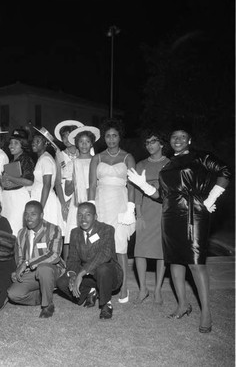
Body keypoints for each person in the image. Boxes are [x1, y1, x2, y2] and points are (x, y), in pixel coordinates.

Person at [128, 123, 230, 333]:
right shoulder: (168, 165)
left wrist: (212, 197)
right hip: (170, 215)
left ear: (189, 140)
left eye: (182, 136)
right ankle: (183, 304)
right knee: (174, 260)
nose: (178, 140)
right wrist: (144, 185)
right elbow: (162, 196)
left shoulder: (200, 157)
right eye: (174, 137)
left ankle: (206, 312)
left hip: (194, 213)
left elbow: (225, 171)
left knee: (195, 262)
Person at [88, 118, 135, 303]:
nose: (111, 139)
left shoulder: (127, 157)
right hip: (101, 203)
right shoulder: (97, 157)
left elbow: (132, 185)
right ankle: (101, 287)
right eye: (108, 136)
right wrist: (91, 209)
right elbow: (92, 185)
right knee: (99, 246)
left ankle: (124, 287)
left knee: (121, 246)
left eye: (114, 135)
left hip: (120, 203)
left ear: (119, 137)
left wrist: (130, 209)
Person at [56, 202, 123, 320]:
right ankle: (89, 292)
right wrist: (72, 275)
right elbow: (73, 258)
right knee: (62, 283)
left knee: (103, 269)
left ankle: (106, 304)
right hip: (89, 276)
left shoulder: (107, 229)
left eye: (88, 215)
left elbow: (105, 254)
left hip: (109, 274)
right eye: (80, 215)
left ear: (95, 217)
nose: (83, 219)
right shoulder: (75, 233)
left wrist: (80, 274)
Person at [7, 201, 65, 318]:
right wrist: (19, 269)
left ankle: (47, 305)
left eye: (33, 214)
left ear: (41, 215)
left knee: (43, 268)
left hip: (53, 271)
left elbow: (54, 255)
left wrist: (28, 263)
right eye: (26, 214)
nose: (28, 218)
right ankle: (42, 296)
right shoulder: (21, 233)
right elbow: (20, 257)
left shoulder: (53, 229)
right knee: (13, 294)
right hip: (31, 272)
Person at [133, 130, 170, 305]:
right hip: (146, 212)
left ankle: (157, 290)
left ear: (162, 144)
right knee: (139, 251)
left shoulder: (171, 164)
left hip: (164, 212)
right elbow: (137, 192)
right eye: (147, 142)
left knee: (161, 252)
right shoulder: (141, 165)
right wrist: (138, 215)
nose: (149, 145)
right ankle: (142, 289)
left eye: (153, 141)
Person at [62, 125, 100, 259]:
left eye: (87, 141)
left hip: (94, 201)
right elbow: (67, 191)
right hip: (76, 203)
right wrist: (74, 180)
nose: (84, 145)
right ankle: (68, 268)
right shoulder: (72, 163)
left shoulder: (97, 161)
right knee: (71, 235)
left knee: (94, 235)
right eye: (81, 142)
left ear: (91, 143)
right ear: (77, 144)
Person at [53, 120, 83, 251]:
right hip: (65, 193)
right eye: (63, 136)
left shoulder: (84, 151)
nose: (66, 139)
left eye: (69, 135)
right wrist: (63, 203)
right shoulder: (60, 155)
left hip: (81, 192)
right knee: (67, 232)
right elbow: (58, 182)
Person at [0, 129, 35, 235]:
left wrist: (9, 177)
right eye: (10, 143)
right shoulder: (13, 161)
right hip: (8, 200)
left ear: (23, 145)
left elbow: (29, 181)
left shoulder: (26, 159)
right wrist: (4, 182)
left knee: (15, 229)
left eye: (16, 143)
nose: (11, 146)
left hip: (17, 200)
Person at [30, 129, 63, 231]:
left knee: (46, 232)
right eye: (33, 141)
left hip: (45, 200)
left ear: (45, 144)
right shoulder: (42, 158)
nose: (34, 144)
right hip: (39, 197)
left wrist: (40, 208)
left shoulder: (46, 160)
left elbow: (47, 185)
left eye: (38, 141)